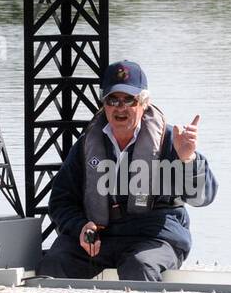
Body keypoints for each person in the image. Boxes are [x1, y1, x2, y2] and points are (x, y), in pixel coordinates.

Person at [37, 60, 217, 281]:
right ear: (104, 103)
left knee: (139, 266)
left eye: (129, 100)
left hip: (156, 236)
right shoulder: (86, 145)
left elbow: (203, 198)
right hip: (102, 236)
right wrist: (80, 226)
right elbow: (60, 201)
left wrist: (188, 159)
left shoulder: (171, 141)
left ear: (144, 103)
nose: (120, 107)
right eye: (113, 99)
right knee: (54, 264)